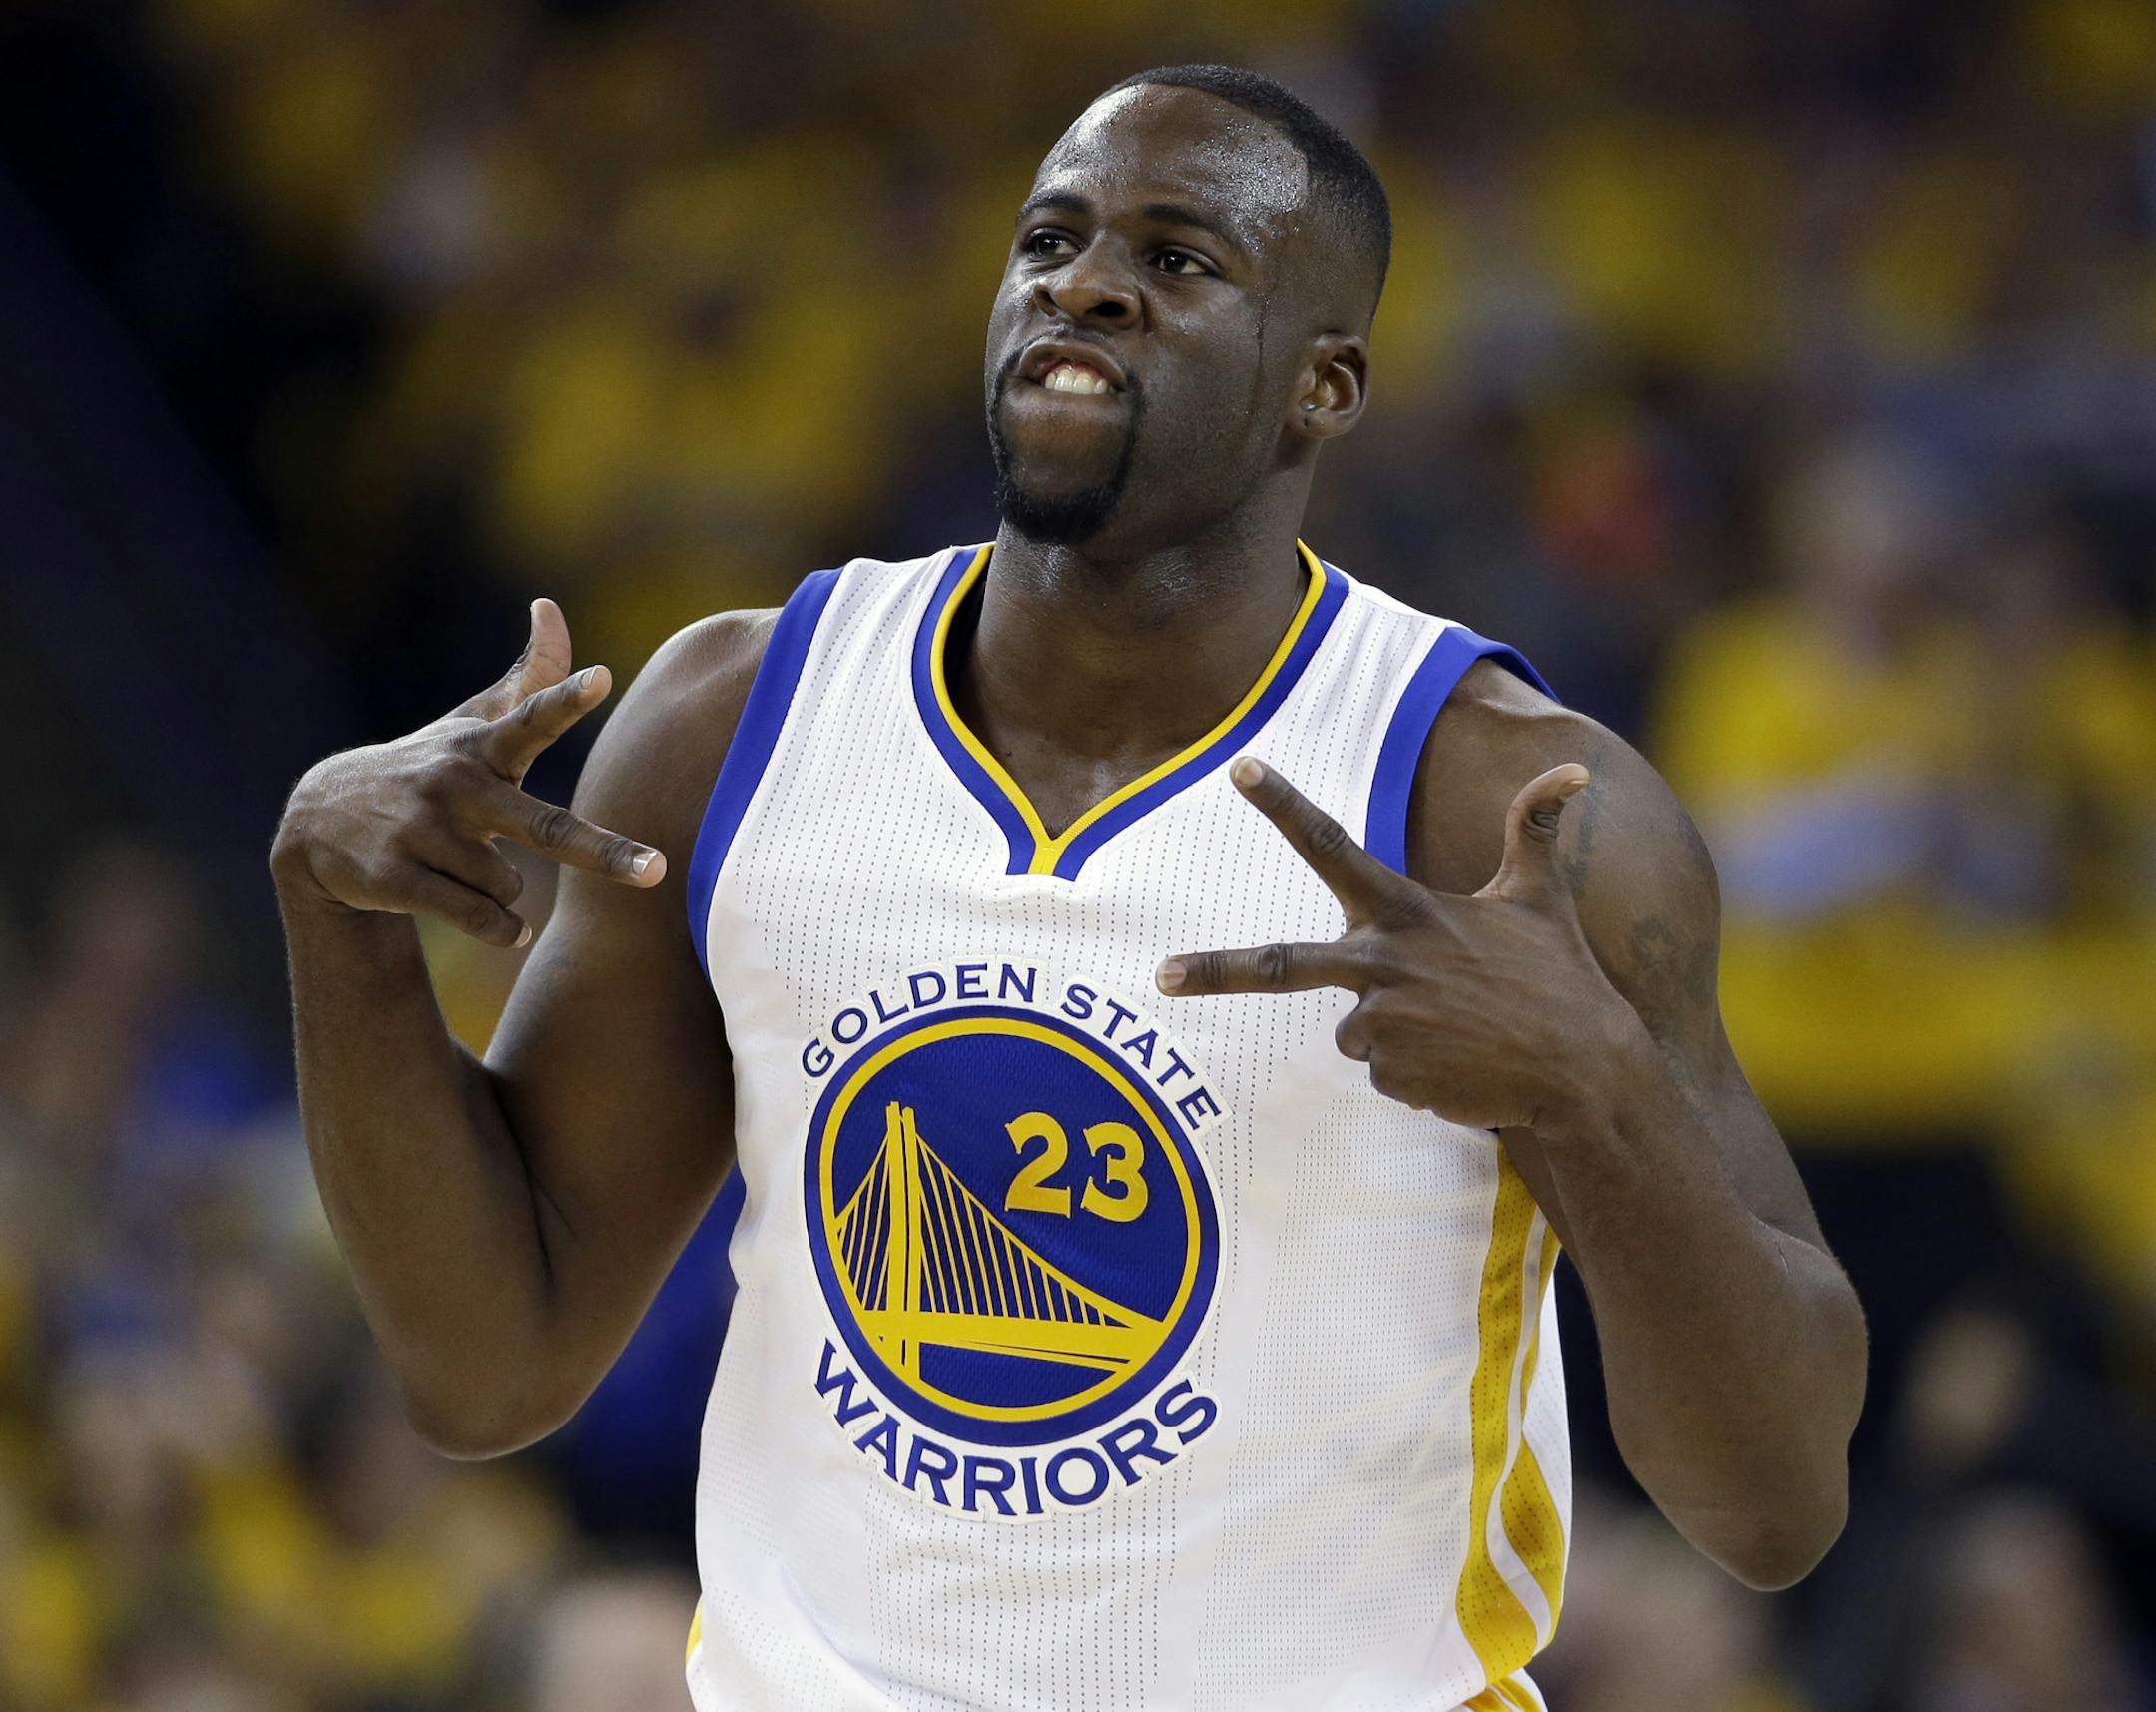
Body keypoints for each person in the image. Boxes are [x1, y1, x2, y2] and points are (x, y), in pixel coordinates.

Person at [270, 64, 1866, 1712]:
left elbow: (1774, 1506)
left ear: (1322, 386)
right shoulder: (731, 721)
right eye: (1050, 238)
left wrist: (1593, 1086)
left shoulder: (1502, 800)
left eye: (1179, 260)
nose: (1084, 282)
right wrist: (339, 922)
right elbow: (488, 1365)